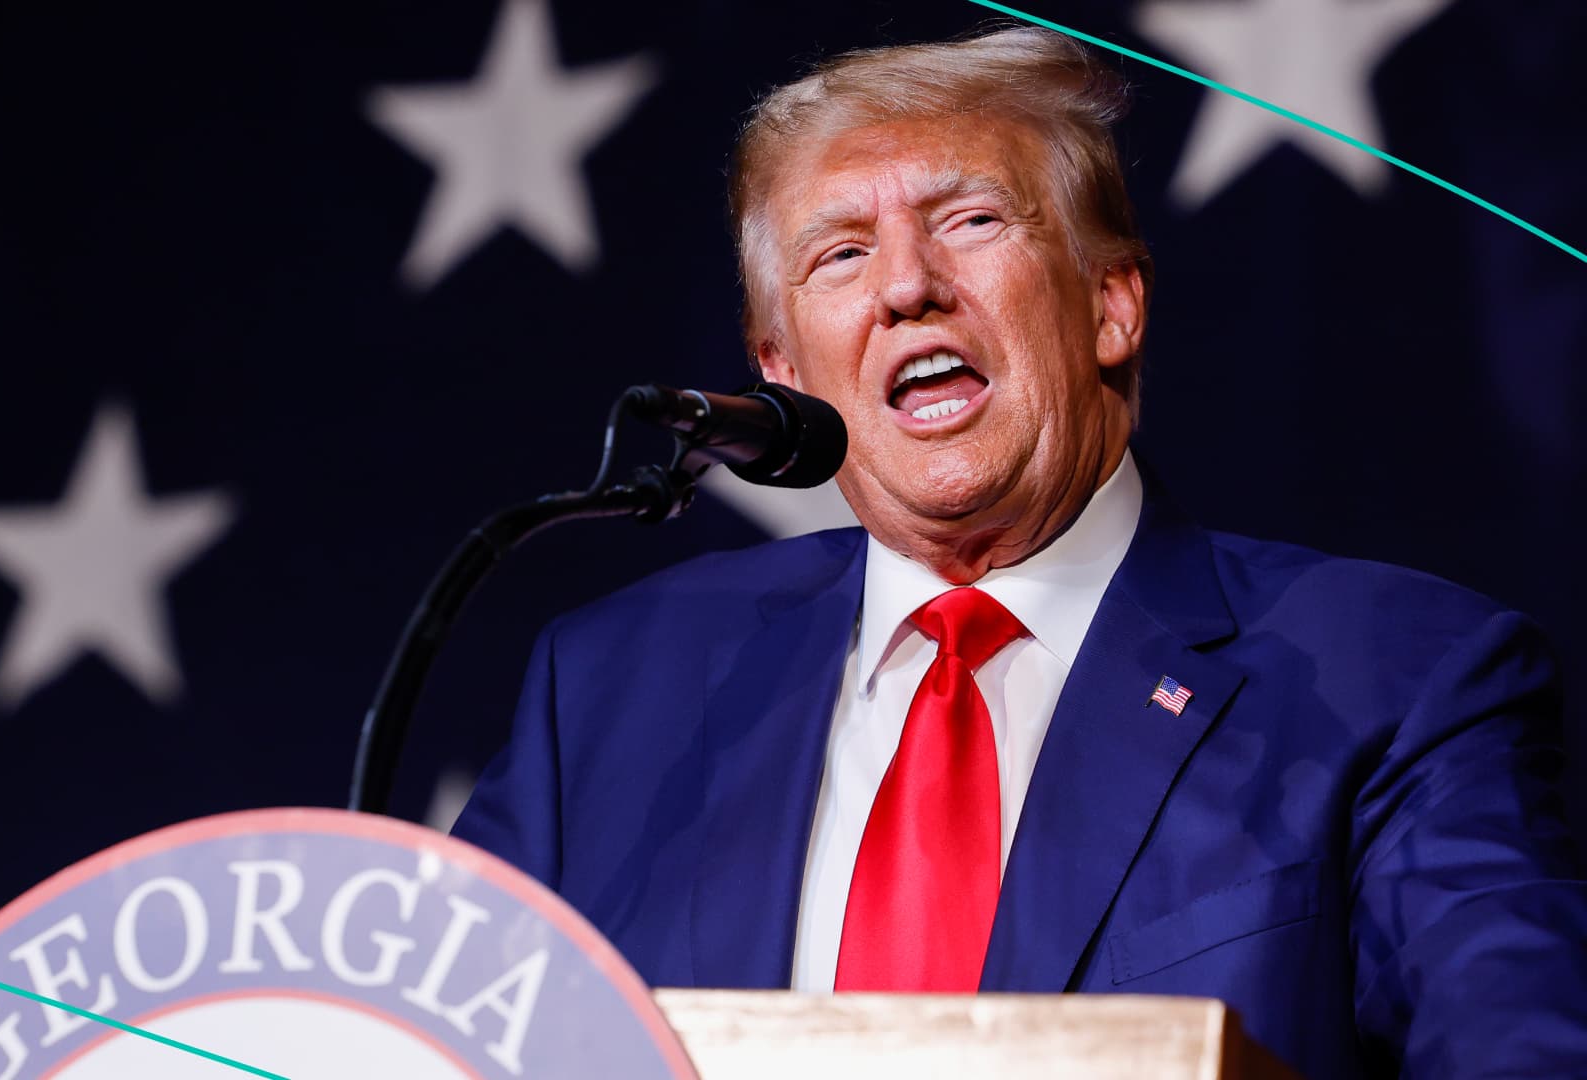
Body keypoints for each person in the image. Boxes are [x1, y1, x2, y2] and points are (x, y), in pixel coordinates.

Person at [451, 25, 1587, 1079]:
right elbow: (428, 1043)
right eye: (839, 255)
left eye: (970, 221)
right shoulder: (606, 694)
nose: (906, 287)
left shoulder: (1398, 681)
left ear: (1111, 304)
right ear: (783, 370)